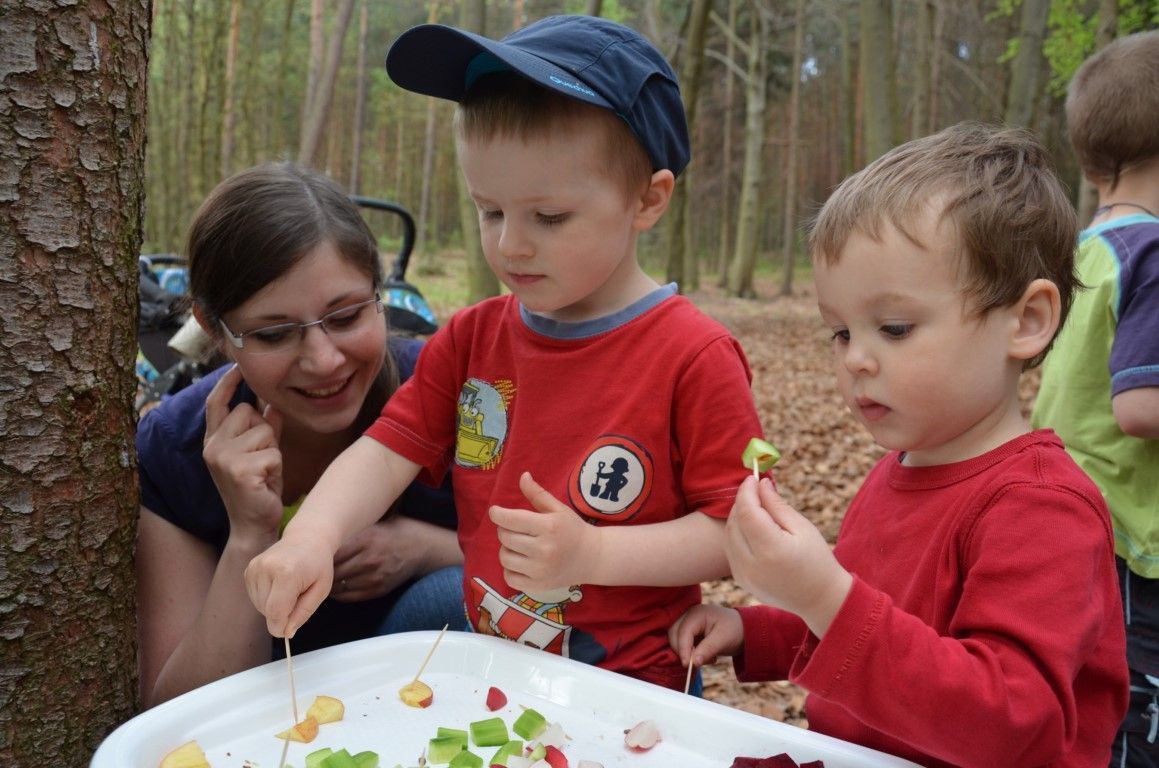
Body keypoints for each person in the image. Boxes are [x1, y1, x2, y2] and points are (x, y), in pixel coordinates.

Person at [243, 15, 765, 692]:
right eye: (490, 211)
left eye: (547, 218)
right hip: (489, 667)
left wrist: (594, 552)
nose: (511, 245)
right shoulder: (470, 338)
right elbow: (385, 451)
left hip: (631, 690)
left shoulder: (691, 355)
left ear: (647, 199)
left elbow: (741, 534)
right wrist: (310, 535)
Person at [669, 123, 1129, 766]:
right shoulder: (898, 469)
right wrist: (757, 629)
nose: (856, 359)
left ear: (1025, 322)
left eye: (894, 327)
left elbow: (1007, 723)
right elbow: (883, 620)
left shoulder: (1042, 508)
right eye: (839, 332)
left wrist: (822, 594)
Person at [135, 163, 464, 708]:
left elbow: (566, 577)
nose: (323, 360)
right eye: (273, 333)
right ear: (214, 329)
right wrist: (250, 533)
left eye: (346, 316)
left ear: (379, 295)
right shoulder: (174, 448)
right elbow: (177, 712)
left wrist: (427, 550)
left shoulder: (455, 393)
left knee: (449, 595)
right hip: (267, 729)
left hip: (427, 705)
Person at [1029, 30, 1159, 766]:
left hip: (1067, 515)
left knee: (1087, 690)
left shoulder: (1084, 248)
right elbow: (1138, 406)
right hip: (1128, 538)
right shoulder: (1153, 252)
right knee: (1137, 701)